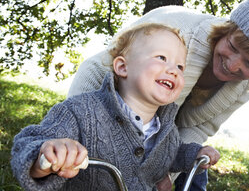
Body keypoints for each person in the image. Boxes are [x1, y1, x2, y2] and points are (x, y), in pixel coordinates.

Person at [67, 0, 249, 190]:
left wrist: (165, 173)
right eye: (233, 46)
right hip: (118, 104)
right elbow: (98, 69)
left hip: (165, 133)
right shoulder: (178, 34)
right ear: (226, 29)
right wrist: (74, 131)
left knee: (194, 174)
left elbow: (198, 128)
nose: (233, 65)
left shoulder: (240, 90)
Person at [10, 23, 220, 191]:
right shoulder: (81, 112)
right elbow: (28, 145)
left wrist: (195, 153)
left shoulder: (166, 129)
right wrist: (48, 155)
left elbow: (171, 155)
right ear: (122, 67)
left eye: (180, 66)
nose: (173, 70)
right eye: (161, 58)